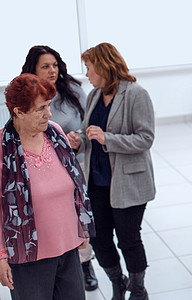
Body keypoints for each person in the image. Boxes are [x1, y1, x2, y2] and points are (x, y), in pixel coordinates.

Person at [67, 42, 155, 300]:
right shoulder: (94, 95)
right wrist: (79, 141)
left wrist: (109, 139)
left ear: (104, 67)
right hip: (97, 181)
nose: (87, 74)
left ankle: (138, 290)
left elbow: (146, 139)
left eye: (89, 67)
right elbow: (89, 134)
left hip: (128, 182)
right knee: (100, 239)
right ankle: (119, 282)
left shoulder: (136, 94)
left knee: (129, 240)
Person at [0, 73, 94, 299]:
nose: (49, 114)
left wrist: (83, 228)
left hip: (68, 247)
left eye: (49, 105)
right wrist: (2, 255)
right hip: (27, 255)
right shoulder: (3, 149)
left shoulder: (55, 133)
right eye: (40, 108)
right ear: (19, 112)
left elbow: (75, 186)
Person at [20, 45, 99, 292]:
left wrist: (77, 139)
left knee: (79, 215)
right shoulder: (25, 95)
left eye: (55, 65)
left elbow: (91, 125)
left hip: (76, 162)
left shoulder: (73, 89)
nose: (52, 70)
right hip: (42, 167)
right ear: (33, 69)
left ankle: (85, 264)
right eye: (45, 66)